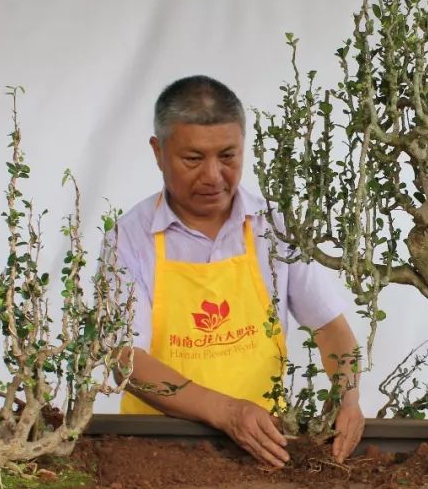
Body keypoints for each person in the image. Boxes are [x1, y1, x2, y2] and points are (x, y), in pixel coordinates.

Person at [112, 75, 365, 467]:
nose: (213, 176)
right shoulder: (130, 238)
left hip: (264, 447)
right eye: (193, 159)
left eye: (228, 156)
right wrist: (227, 412)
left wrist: (347, 398)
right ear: (158, 152)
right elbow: (126, 359)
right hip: (155, 449)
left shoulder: (274, 226)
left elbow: (330, 326)